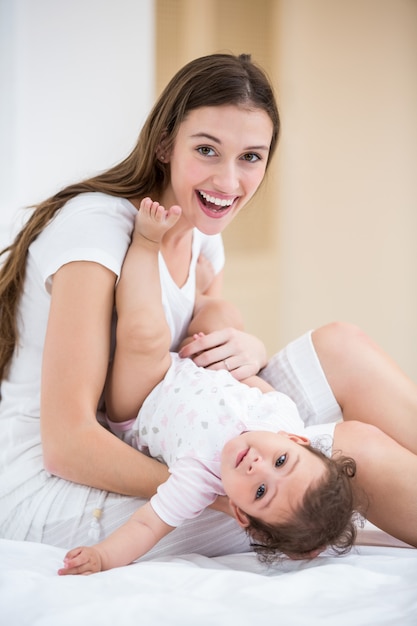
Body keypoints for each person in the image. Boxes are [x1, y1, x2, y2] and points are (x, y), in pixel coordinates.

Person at [0, 53, 416, 556]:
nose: (228, 182)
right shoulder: (96, 232)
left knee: (341, 346)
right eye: (207, 150)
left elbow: (211, 338)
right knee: (351, 451)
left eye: (251, 157)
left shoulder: (199, 231)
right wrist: (219, 489)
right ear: (164, 144)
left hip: (167, 433)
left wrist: (245, 343)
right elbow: (68, 446)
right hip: (54, 490)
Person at [58, 199, 358, 575]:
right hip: (193, 368)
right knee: (224, 315)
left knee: (145, 335)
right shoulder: (280, 417)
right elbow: (246, 378)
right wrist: (226, 357)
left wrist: (102, 557)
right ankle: (197, 297)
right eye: (280, 461)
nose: (256, 465)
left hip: (141, 402)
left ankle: (146, 245)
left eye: (260, 492)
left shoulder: (197, 482)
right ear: (296, 440)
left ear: (239, 513)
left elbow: (146, 526)